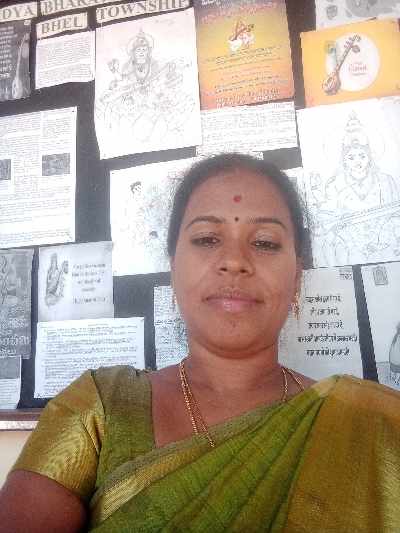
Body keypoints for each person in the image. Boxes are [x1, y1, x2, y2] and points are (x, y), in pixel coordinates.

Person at [1, 153, 400, 532]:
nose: (234, 261)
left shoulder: (370, 425)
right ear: (173, 268)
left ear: (296, 278)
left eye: (264, 242)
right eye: (208, 238)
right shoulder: (101, 407)